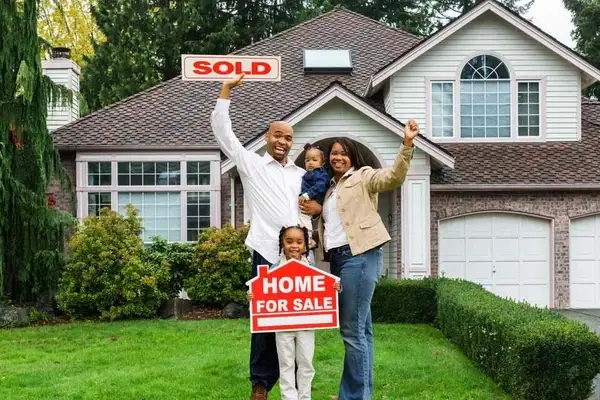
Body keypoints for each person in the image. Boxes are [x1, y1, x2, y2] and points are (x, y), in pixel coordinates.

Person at [210, 73, 322, 400]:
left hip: (300, 257)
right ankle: (260, 384)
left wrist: (314, 216)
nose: (282, 141)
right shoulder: (252, 166)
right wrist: (226, 91)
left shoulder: (302, 175)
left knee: (300, 325)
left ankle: (300, 389)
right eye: (277, 135)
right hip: (265, 253)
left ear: (292, 142)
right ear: (267, 137)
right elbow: (223, 133)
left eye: (288, 137)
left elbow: (311, 211)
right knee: (264, 323)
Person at [317, 122, 419, 400]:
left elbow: (393, 177)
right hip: (338, 259)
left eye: (343, 153)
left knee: (351, 330)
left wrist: (406, 145)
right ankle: (362, 392)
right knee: (362, 329)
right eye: (334, 153)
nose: (337, 157)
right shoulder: (329, 188)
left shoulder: (363, 176)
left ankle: (354, 396)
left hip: (359, 256)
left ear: (352, 157)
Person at [248, 225, 341, 400]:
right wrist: (253, 295)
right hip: (282, 327)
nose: (294, 246)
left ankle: (305, 397)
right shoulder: (274, 269)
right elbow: (262, 292)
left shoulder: (312, 268)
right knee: (286, 364)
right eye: (289, 241)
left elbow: (324, 288)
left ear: (306, 245)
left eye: (299, 242)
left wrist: (335, 287)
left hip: (306, 326)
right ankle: (288, 397)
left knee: (306, 363)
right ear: (282, 243)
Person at [298, 143, 330, 263]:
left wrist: (307, 194)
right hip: (307, 199)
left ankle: (310, 239)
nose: (310, 163)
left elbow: (320, 186)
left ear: (322, 162)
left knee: (304, 219)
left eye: (314, 160)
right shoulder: (308, 173)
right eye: (307, 160)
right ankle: (308, 238)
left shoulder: (320, 173)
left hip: (315, 199)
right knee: (303, 219)